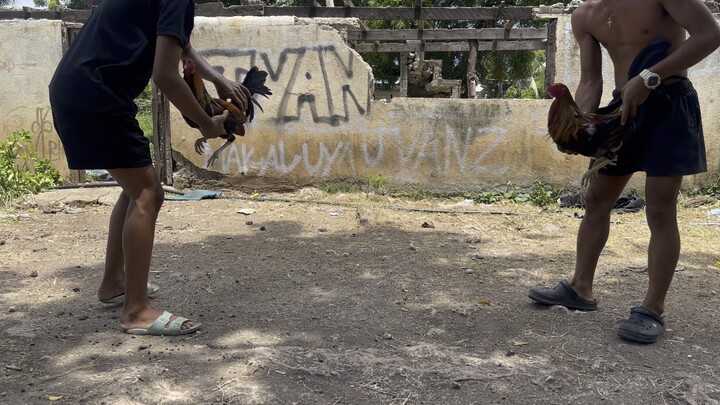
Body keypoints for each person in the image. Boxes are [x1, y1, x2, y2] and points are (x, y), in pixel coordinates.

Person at [49, 0, 251, 335]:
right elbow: (165, 76)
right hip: (98, 94)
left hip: (78, 88)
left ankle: (114, 284)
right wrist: (206, 125)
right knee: (148, 193)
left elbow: (177, 41)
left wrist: (214, 76)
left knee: (134, 190)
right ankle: (137, 312)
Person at [529, 0, 720, 343]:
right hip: (622, 110)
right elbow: (590, 81)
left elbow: (710, 34)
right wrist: (581, 125)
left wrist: (649, 77)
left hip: (669, 102)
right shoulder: (585, 15)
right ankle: (580, 287)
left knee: (660, 209)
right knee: (596, 200)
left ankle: (652, 307)